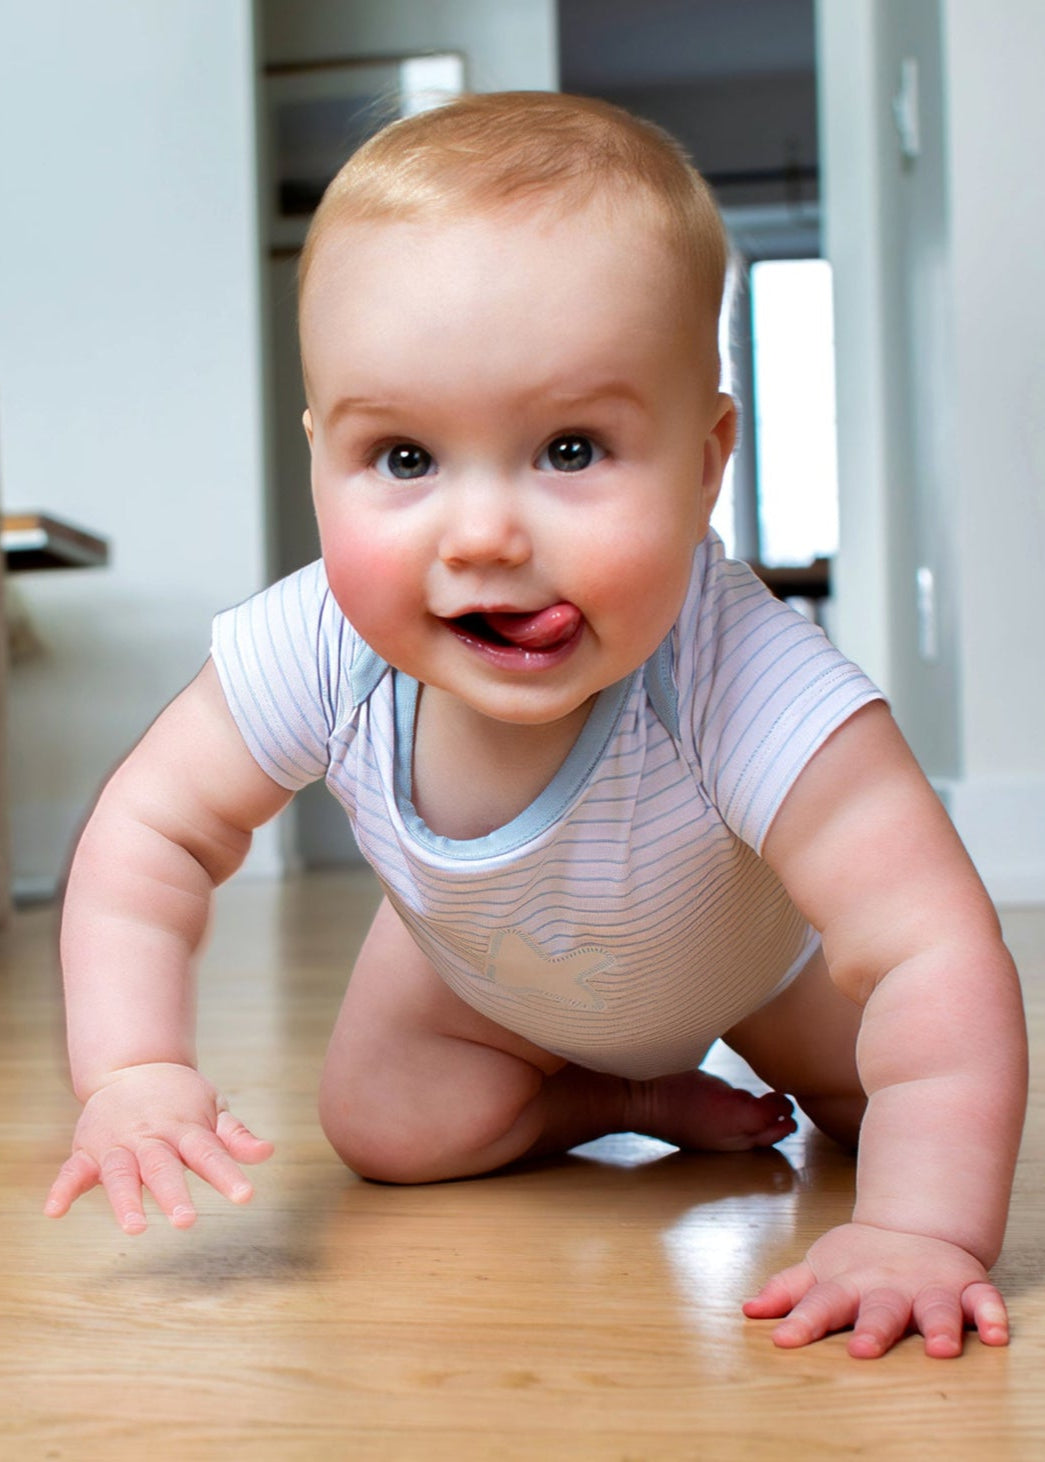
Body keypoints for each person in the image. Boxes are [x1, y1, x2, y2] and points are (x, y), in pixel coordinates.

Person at [45, 92, 1027, 1361]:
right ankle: (617, 1100)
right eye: (403, 459)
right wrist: (131, 1067)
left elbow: (930, 949)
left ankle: (736, 1098)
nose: (485, 535)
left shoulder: (740, 672)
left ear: (707, 459)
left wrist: (921, 1230)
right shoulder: (321, 646)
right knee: (387, 1129)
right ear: (319, 458)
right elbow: (153, 834)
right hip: (479, 978)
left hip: (753, 969)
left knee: (880, 1098)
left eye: (570, 447)